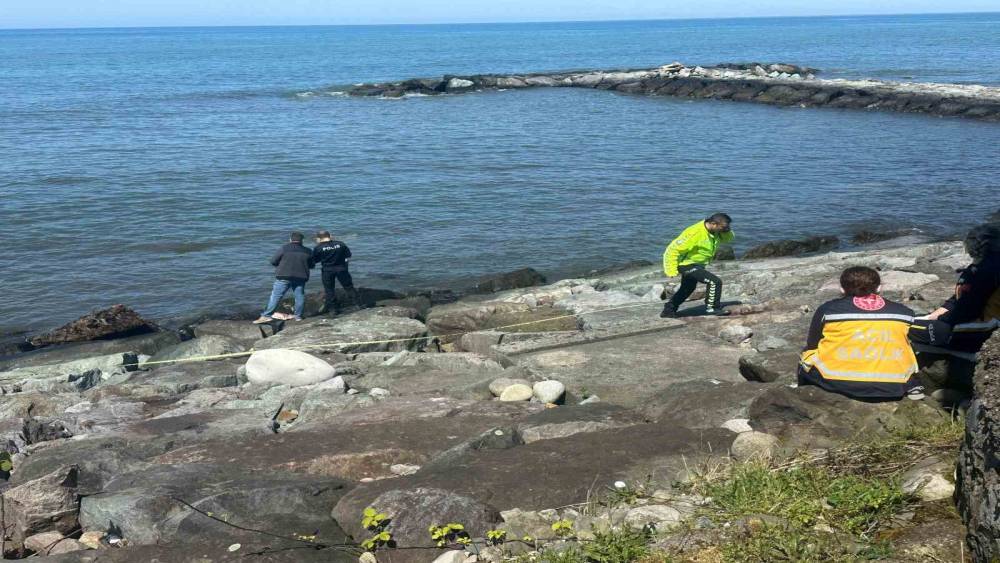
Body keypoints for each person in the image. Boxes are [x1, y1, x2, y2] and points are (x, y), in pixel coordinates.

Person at [798, 266, 920, 401]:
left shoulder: (828, 310)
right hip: (893, 384)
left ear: (842, 289)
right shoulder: (904, 312)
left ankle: (804, 394)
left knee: (807, 356)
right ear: (879, 288)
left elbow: (812, 344)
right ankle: (913, 385)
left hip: (838, 382)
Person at [908, 224, 1000, 392]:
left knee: (905, 327)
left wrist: (939, 322)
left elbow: (967, 310)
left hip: (984, 330)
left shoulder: (986, 270)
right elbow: (959, 299)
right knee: (921, 321)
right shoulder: (981, 267)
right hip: (976, 321)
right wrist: (932, 316)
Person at [660, 213, 734, 318]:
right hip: (686, 264)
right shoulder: (694, 233)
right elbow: (672, 250)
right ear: (713, 223)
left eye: (727, 227)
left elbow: (728, 239)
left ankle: (668, 310)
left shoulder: (715, 232)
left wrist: (726, 230)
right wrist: (670, 270)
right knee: (714, 282)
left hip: (698, 264)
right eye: (724, 227)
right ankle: (712, 308)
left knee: (687, 288)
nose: (726, 229)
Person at [253, 232, 313, 323]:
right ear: (302, 241)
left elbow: (273, 261)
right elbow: (312, 265)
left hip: (284, 275)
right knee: (299, 296)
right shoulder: (308, 251)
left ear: (290, 239)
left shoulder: (284, 248)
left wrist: (281, 265)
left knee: (276, 296)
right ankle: (298, 316)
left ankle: (266, 315)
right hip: (301, 277)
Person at [312, 230, 361, 315]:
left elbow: (315, 260)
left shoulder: (318, 247)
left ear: (319, 238)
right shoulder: (340, 244)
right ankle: (357, 304)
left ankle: (333, 310)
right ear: (330, 236)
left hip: (328, 270)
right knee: (348, 287)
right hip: (341, 268)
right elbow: (348, 255)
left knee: (329, 289)